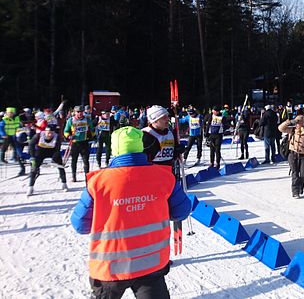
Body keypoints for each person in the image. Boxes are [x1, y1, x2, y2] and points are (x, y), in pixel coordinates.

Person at [70, 126, 191, 299]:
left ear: (115, 149)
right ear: (140, 147)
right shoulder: (163, 176)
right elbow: (182, 212)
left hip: (110, 268)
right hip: (152, 264)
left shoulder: (98, 182)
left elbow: (80, 225)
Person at [278, 109, 304, 198]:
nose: (299, 124)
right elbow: (280, 128)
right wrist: (289, 122)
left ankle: (301, 187)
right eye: (297, 122)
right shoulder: (291, 130)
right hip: (292, 154)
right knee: (295, 173)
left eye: (300, 122)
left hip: (303, 155)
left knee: (303, 174)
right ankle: (295, 191)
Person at [27, 123, 68, 196]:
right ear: (45, 131)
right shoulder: (38, 136)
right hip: (40, 152)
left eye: (51, 133)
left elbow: (57, 150)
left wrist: (53, 160)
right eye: (48, 132)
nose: (50, 134)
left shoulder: (57, 137)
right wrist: (32, 156)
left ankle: (64, 184)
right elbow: (31, 145)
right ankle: (30, 187)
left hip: (52, 151)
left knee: (60, 167)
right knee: (34, 169)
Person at [64, 105, 95, 182]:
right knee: (74, 160)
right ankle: (74, 176)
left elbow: (92, 129)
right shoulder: (71, 120)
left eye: (81, 112)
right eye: (78, 112)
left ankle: (87, 177)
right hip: (75, 143)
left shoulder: (87, 120)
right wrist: (68, 136)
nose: (80, 113)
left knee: (86, 161)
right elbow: (66, 131)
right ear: (74, 112)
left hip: (84, 142)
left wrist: (93, 136)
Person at [1, 107, 25, 176]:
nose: (10, 114)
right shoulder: (4, 119)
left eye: (11, 113)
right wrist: (3, 134)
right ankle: (2, 158)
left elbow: (18, 126)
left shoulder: (16, 118)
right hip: (7, 136)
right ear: (7, 113)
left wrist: (20, 129)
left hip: (14, 136)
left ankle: (22, 168)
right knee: (4, 148)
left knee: (17, 151)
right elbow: (1, 128)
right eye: (9, 113)